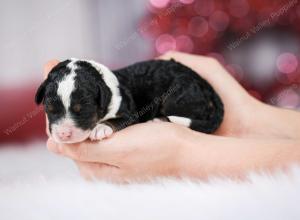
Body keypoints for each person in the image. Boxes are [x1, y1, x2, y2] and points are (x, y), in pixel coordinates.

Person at [45, 51, 300, 183]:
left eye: (81, 112)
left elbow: (127, 114)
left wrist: (186, 154)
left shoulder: (115, 95)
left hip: (183, 96)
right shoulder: (98, 87)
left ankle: (189, 119)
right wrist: (249, 119)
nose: (64, 129)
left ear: (102, 98)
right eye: (53, 111)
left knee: (177, 96)